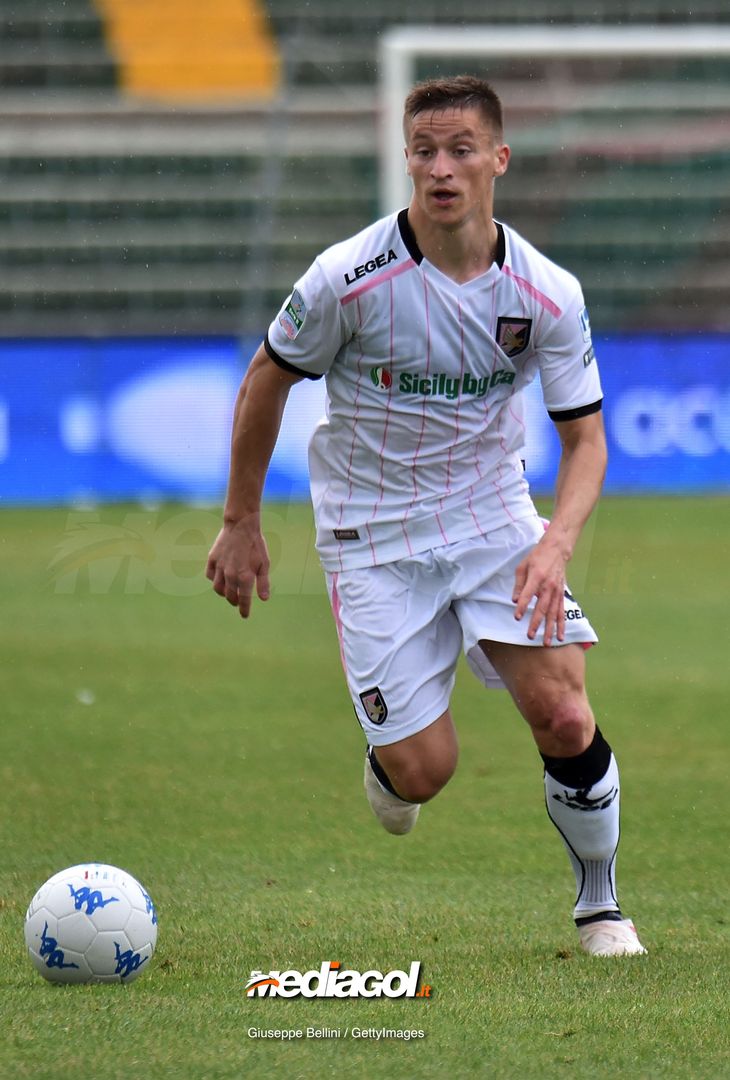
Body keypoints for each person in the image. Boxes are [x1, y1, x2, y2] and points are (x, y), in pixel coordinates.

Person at [206, 75, 646, 958]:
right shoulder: (348, 277)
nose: (441, 169)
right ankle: (390, 760)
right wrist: (241, 519)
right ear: (405, 159)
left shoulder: (547, 293)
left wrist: (556, 542)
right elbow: (266, 378)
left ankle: (600, 906)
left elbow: (587, 440)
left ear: (499, 160)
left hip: (493, 521)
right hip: (373, 536)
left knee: (563, 713)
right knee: (425, 772)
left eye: (460, 150)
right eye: (424, 151)